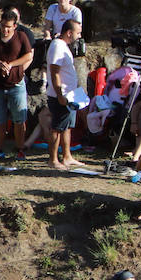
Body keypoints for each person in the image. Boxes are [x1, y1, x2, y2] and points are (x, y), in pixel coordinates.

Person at [0, 8, 33, 159]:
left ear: (14, 26)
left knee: (19, 119)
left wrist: (12, 64)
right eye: (3, 26)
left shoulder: (21, 37)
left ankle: (20, 148)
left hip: (16, 84)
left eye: (8, 27)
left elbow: (28, 55)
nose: (5, 30)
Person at [45, 18, 82, 170]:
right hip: (59, 96)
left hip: (70, 95)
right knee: (57, 127)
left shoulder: (63, 46)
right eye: (77, 33)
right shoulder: (57, 47)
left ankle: (67, 156)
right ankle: (53, 159)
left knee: (67, 126)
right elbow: (54, 73)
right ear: (69, 33)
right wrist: (60, 95)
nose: (79, 36)